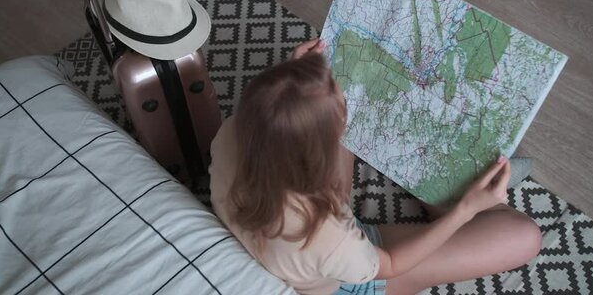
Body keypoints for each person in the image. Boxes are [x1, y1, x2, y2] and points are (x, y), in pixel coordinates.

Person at [209, 39, 542, 295]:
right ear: (319, 157)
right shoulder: (334, 240)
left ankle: (444, 185)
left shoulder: (230, 133)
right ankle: (450, 197)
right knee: (524, 237)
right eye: (340, 114)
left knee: (328, 95)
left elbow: (285, 118)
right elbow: (392, 265)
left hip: (290, 242)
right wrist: (464, 211)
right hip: (339, 278)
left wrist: (293, 80)